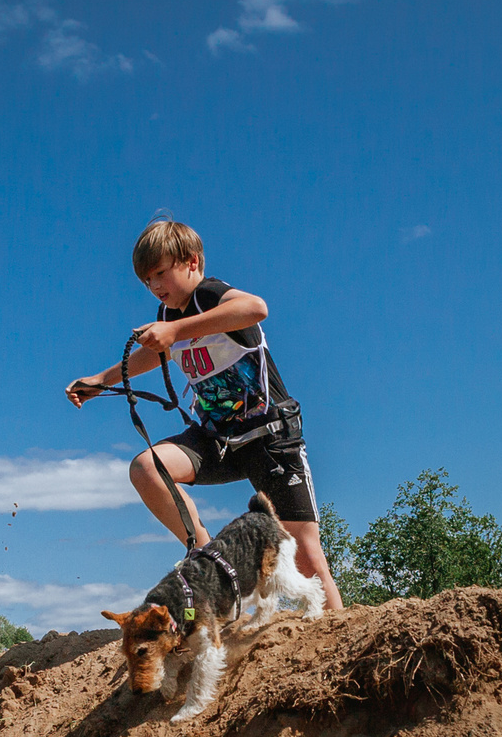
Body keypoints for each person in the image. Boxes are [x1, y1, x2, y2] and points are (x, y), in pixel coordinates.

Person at [66, 219, 344, 610]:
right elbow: (157, 351)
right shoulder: (168, 316)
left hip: (269, 437)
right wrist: (103, 380)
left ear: (192, 262)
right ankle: (206, 553)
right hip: (219, 440)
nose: (155, 286)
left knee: (304, 555)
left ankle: (340, 638)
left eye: (161, 273)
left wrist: (176, 330)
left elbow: (255, 308)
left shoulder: (210, 296)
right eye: (147, 280)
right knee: (148, 468)